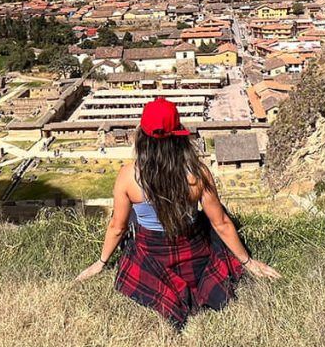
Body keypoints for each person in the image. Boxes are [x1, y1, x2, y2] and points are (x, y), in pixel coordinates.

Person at [76, 97, 279, 328]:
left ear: (142, 136)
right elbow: (221, 223)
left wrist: (101, 262)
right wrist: (248, 261)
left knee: (135, 230)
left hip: (152, 255)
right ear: (178, 135)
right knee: (211, 219)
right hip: (193, 250)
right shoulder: (197, 172)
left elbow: (117, 227)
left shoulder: (128, 175)